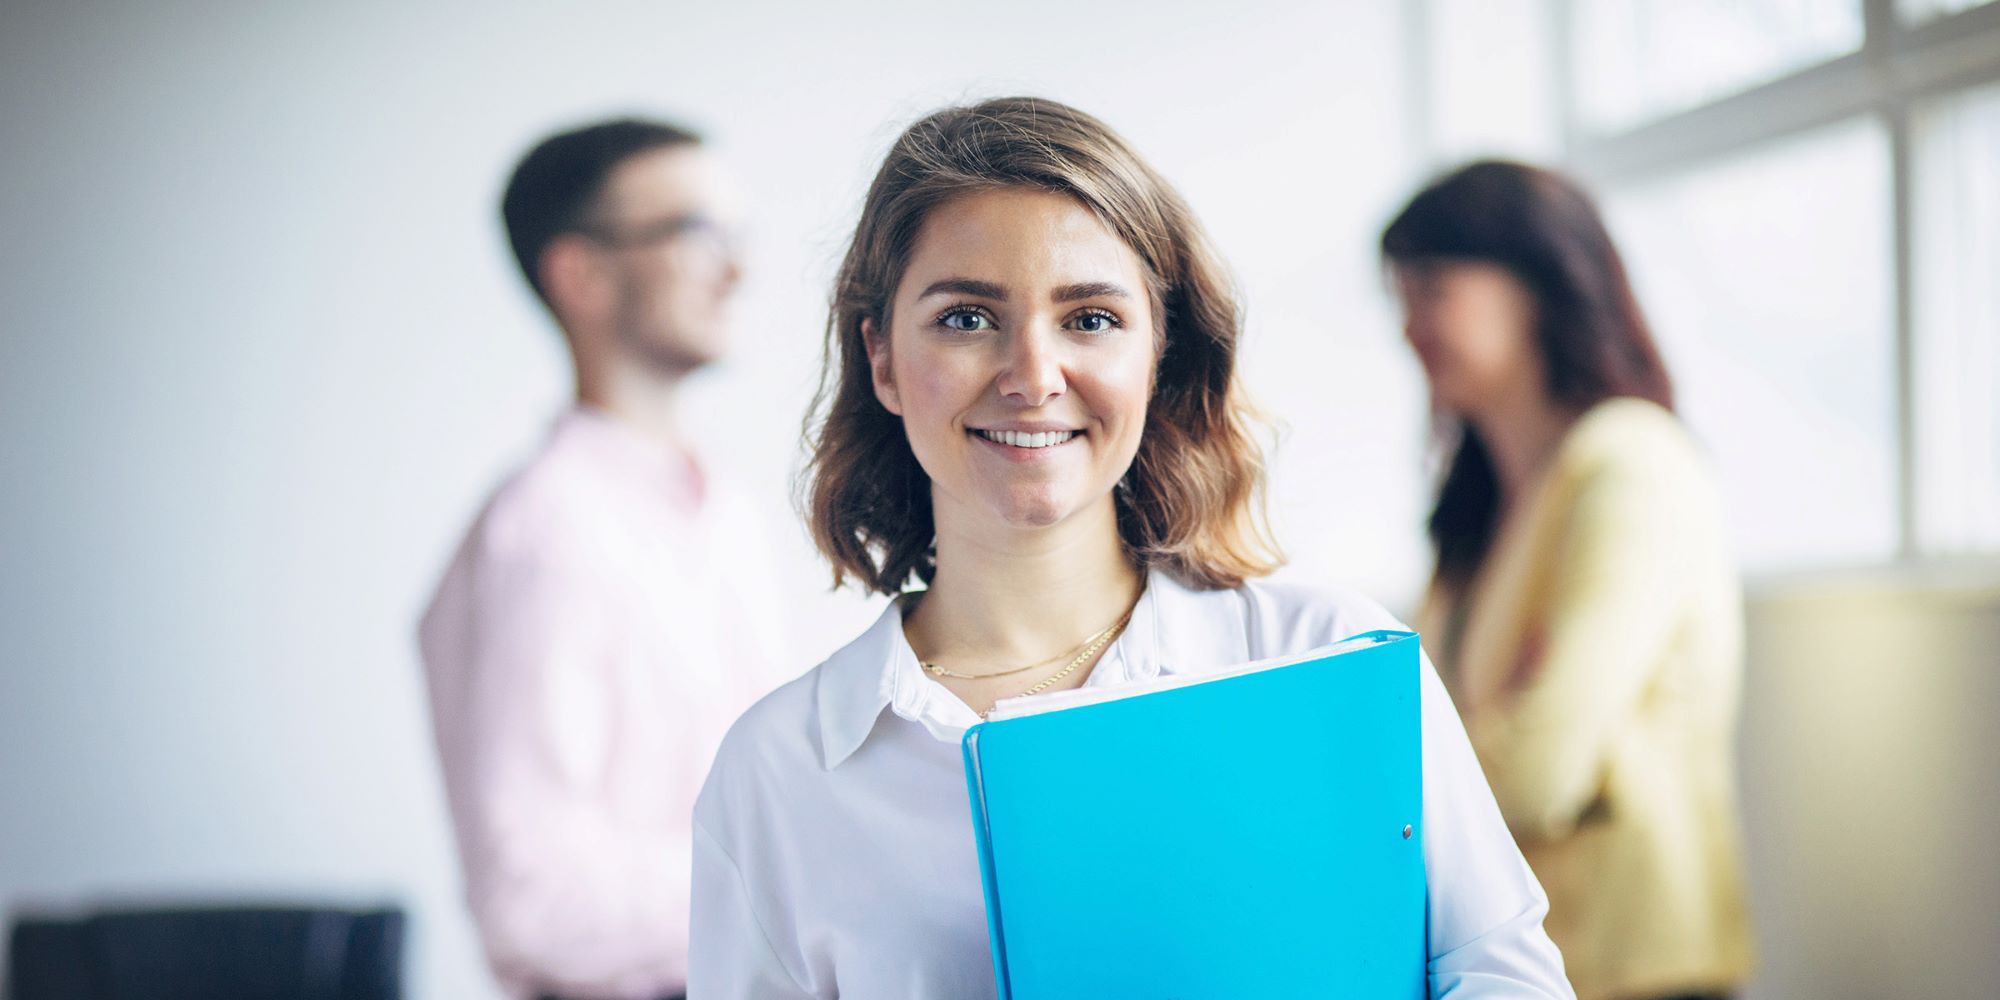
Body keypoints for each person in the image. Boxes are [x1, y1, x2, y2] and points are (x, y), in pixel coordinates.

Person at [686, 97, 1574, 999]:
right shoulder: (777, 772)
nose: (1033, 377)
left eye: (1091, 319)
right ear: (880, 360)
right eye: (965, 317)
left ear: (1160, 354)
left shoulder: (1327, 659)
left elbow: (1502, 973)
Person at [418, 117, 785, 1000]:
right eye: (698, 235)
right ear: (581, 274)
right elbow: (533, 902)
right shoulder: (542, 533)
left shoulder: (726, 511)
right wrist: (795, 872)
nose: (737, 271)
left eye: (739, 237)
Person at [1382, 160, 1754, 1000]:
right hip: (1510, 960)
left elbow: (1538, 769)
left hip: (1632, 963)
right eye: (1400, 296)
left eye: (1432, 287)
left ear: (1536, 284)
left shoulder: (1631, 462)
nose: (1409, 326)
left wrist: (1471, 749)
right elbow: (1423, 731)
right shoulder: (1479, 504)